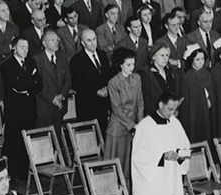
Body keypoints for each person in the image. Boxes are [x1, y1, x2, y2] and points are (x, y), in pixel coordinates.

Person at [0, 37, 42, 180]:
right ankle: (11, 174)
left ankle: (24, 174)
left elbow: (39, 84)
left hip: (30, 109)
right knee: (13, 142)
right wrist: (30, 82)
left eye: (27, 47)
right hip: (14, 110)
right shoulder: (7, 65)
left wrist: (27, 88)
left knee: (26, 143)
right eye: (22, 46)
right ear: (13, 48)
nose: (25, 50)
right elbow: (17, 86)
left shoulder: (31, 62)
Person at [103, 48, 144, 182]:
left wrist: (141, 123)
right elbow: (117, 110)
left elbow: (140, 102)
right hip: (118, 127)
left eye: (133, 64)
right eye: (128, 65)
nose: (132, 67)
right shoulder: (113, 82)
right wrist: (132, 126)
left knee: (129, 163)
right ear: (120, 65)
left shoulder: (137, 78)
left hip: (133, 126)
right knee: (115, 164)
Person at [70, 28, 110, 133]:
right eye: (89, 40)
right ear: (82, 43)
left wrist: (107, 88)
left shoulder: (102, 54)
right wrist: (96, 91)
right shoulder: (77, 60)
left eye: (94, 39)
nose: (93, 43)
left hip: (103, 103)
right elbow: (76, 83)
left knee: (103, 132)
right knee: (89, 135)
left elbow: (107, 74)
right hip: (87, 104)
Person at [178, 45, 213, 143]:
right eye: (197, 59)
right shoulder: (187, 78)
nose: (201, 62)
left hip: (207, 111)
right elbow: (186, 102)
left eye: (202, 58)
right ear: (191, 60)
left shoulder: (206, 73)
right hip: (195, 114)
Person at [139, 44, 179, 117]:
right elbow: (147, 101)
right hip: (155, 115)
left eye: (167, 55)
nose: (165, 58)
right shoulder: (146, 74)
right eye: (162, 55)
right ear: (153, 57)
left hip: (171, 115)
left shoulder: (171, 72)